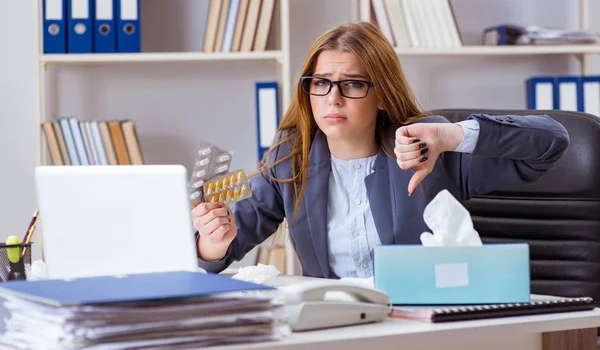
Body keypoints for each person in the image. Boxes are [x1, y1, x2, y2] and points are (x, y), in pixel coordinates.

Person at [192, 21, 570, 279]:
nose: (333, 99)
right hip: (335, 330)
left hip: (420, 328)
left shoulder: (428, 149)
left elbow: (551, 142)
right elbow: (217, 254)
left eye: (352, 84)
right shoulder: (291, 157)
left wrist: (452, 136)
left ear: (383, 95)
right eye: (320, 83)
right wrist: (213, 242)